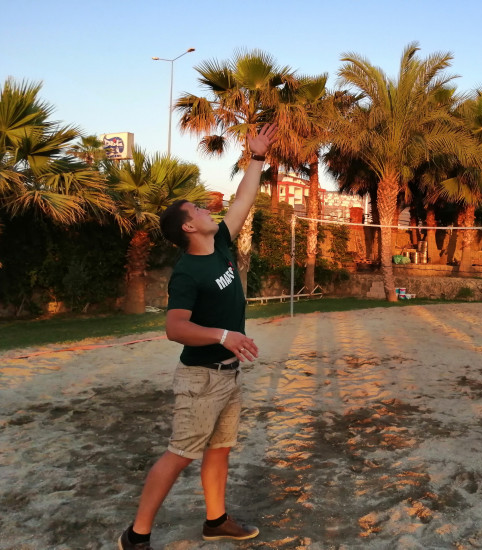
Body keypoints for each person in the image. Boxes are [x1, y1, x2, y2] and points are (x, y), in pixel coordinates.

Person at [118, 123, 278, 550]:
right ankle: (136, 536)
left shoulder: (221, 243)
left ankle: (216, 520)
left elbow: (243, 199)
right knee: (179, 455)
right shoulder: (187, 272)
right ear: (188, 228)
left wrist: (257, 157)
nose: (207, 210)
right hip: (201, 379)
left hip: (228, 375)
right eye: (198, 210)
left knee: (220, 449)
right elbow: (175, 328)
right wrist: (224, 335)